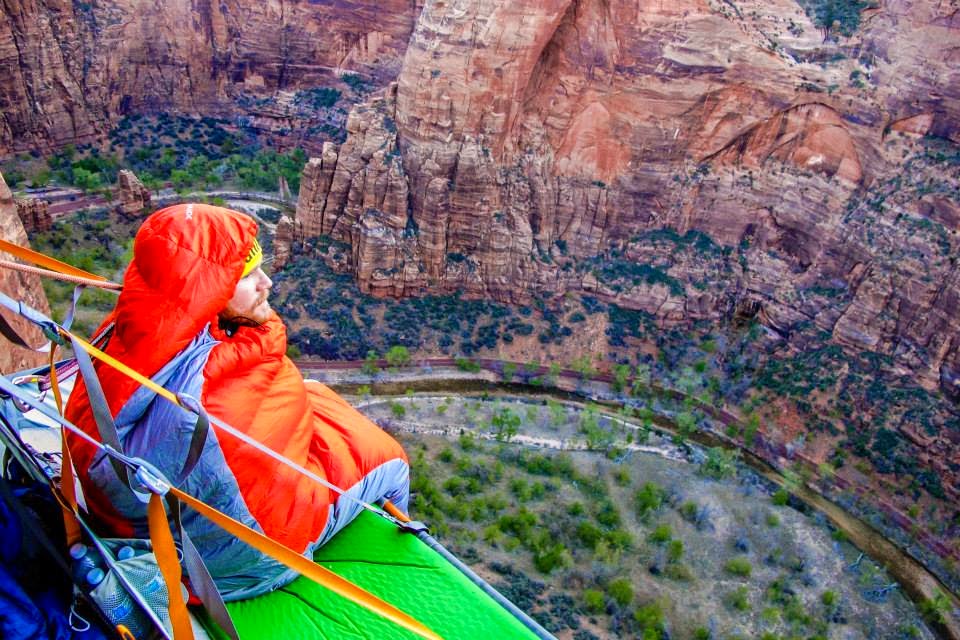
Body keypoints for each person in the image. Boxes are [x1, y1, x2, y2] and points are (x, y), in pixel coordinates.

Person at [64, 203, 409, 600]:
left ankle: (147, 567)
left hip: (133, 526)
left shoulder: (123, 334)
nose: (267, 284)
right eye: (247, 275)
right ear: (211, 290)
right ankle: (399, 571)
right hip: (257, 557)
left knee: (314, 396)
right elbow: (262, 483)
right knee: (390, 458)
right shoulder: (215, 393)